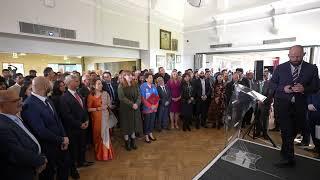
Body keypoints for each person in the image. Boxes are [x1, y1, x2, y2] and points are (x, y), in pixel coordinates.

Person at [271, 45, 319, 167]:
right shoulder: (280, 68)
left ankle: (284, 151)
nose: (295, 58)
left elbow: (316, 87)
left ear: (304, 54)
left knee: (293, 131)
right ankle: (289, 159)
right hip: (282, 104)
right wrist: (283, 88)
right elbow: (271, 84)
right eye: (292, 56)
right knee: (286, 130)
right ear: (288, 55)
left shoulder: (312, 68)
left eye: (298, 56)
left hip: (300, 106)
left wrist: (304, 89)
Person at [21, 77, 69, 180]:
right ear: (45, 86)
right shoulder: (30, 104)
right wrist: (61, 139)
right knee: (48, 174)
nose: (51, 84)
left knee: (64, 168)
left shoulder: (47, 100)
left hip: (60, 143)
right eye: (49, 83)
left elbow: (57, 120)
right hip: (47, 147)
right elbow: (40, 131)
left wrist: (64, 136)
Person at [0, 90, 47, 180]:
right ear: (2, 105)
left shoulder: (14, 116)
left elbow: (29, 138)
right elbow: (17, 154)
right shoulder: (2, 127)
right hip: (19, 173)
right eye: (15, 101)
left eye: (20, 99)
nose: (20, 103)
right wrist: (41, 160)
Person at [59, 75, 93, 179]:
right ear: (70, 83)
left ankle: (82, 161)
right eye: (76, 81)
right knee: (73, 150)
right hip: (73, 128)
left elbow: (83, 108)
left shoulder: (77, 93)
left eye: (78, 81)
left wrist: (86, 119)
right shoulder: (64, 97)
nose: (79, 83)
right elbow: (66, 115)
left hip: (83, 125)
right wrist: (79, 124)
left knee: (82, 145)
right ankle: (73, 170)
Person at [87, 79, 114, 160]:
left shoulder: (105, 93)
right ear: (93, 86)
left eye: (101, 84)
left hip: (105, 117)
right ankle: (99, 154)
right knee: (98, 136)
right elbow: (88, 109)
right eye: (98, 84)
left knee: (106, 135)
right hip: (96, 119)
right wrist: (98, 108)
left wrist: (109, 106)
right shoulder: (91, 96)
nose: (101, 85)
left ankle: (106, 154)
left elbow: (109, 105)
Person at [118, 70, 142, 151]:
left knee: (133, 125)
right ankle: (127, 142)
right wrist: (132, 104)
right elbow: (122, 98)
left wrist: (137, 104)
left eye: (131, 75)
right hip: (126, 109)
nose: (131, 77)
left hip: (135, 108)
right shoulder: (121, 86)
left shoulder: (135, 84)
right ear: (124, 76)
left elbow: (139, 95)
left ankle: (133, 142)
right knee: (126, 126)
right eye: (129, 75)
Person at [140, 73, 159, 143]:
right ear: (146, 79)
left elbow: (157, 96)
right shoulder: (143, 86)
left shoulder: (154, 86)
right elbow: (143, 98)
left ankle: (150, 133)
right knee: (147, 122)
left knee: (152, 122)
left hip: (154, 108)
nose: (151, 79)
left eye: (152, 78)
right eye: (150, 78)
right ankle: (146, 136)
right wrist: (150, 106)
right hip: (147, 108)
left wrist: (155, 106)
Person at [254, 71, 274, 138]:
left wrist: (263, 101)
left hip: (265, 104)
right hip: (257, 104)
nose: (264, 76)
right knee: (257, 118)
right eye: (263, 75)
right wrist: (257, 100)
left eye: (265, 75)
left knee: (264, 119)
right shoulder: (256, 82)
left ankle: (265, 134)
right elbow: (254, 92)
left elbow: (270, 94)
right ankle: (258, 132)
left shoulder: (270, 83)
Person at [307, 89, 320, 159]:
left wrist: (314, 105)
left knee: (319, 134)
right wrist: (309, 104)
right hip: (311, 114)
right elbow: (309, 95)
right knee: (313, 132)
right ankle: (317, 147)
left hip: (318, 112)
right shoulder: (315, 85)